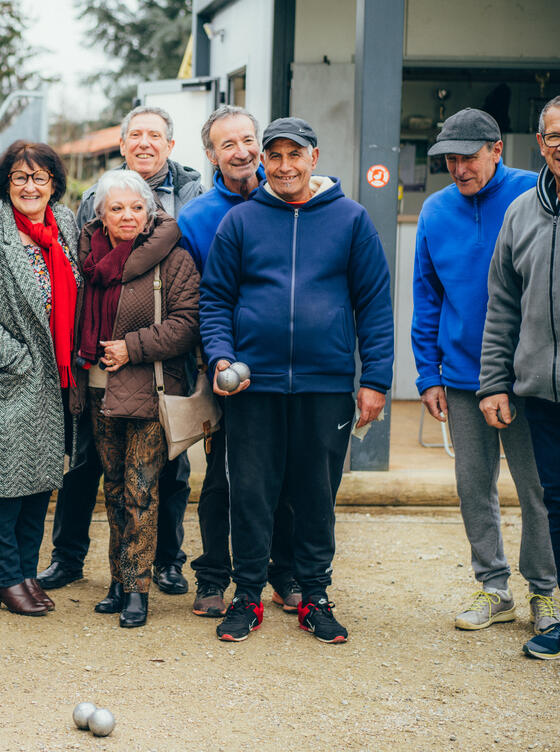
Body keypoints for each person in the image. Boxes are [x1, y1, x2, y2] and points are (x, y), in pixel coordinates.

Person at [200, 117, 393, 644]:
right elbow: (215, 300)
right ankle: (246, 597)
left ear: (313, 157)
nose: (285, 166)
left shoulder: (351, 220)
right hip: (251, 386)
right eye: (275, 155)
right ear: (264, 161)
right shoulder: (240, 222)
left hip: (325, 385)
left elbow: (374, 304)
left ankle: (314, 596)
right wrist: (220, 357)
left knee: (314, 495)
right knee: (252, 492)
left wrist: (375, 378)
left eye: (295, 155)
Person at [39, 105, 203, 597]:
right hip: (97, 373)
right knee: (88, 467)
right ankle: (76, 559)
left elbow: (185, 309)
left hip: (156, 372)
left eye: (156, 135)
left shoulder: (191, 200)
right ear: (124, 143)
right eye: (136, 135)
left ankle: (162, 564)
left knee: (164, 474)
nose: (145, 142)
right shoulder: (93, 212)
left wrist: (134, 347)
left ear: (170, 146)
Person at [412, 108, 559, 635]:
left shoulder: (537, 194)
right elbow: (427, 297)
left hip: (530, 375)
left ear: (497, 149)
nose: (458, 168)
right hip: (461, 376)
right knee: (474, 486)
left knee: (538, 486)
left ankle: (545, 590)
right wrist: (428, 374)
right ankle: (494, 587)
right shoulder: (434, 210)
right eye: (449, 158)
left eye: (468, 157)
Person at [478, 91, 560, 661]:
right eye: (553, 136)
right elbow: (502, 304)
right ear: (540, 142)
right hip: (546, 396)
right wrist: (493, 381)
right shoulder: (522, 211)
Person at [177, 104, 299, 619]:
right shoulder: (197, 217)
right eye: (228, 144)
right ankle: (212, 576)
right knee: (222, 478)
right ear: (211, 155)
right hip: (221, 368)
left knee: (285, 474)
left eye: (248, 140)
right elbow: (195, 297)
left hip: (282, 367)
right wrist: (211, 362)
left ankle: (283, 571)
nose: (242, 151)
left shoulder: (294, 205)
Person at [0, 141, 80, 616]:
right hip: (2, 380)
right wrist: (19, 357)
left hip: (53, 382)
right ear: (6, 185)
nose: (30, 186)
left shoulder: (65, 226)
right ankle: (5, 578)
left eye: (39, 177)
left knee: (39, 481)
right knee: (2, 485)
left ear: (53, 184)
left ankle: (24, 573)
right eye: (20, 178)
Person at [69, 169, 200, 628]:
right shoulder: (89, 259)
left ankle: (137, 590)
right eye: (116, 208)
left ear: (149, 214)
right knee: (114, 488)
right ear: (101, 215)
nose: (127, 215)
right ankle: (117, 579)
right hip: (101, 390)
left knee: (141, 491)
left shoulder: (174, 258)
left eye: (136, 207)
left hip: (151, 391)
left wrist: (132, 347)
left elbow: (187, 324)